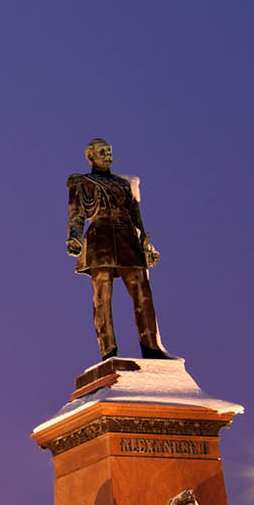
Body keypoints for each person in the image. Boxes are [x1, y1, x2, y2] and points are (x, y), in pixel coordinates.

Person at [67, 139, 171, 360]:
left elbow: (137, 219)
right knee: (102, 298)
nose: (107, 154)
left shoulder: (124, 184)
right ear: (90, 156)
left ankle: (151, 346)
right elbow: (76, 213)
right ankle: (108, 350)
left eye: (109, 151)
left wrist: (146, 244)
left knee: (143, 294)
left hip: (127, 238)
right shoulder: (82, 181)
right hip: (100, 239)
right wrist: (74, 238)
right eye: (102, 151)